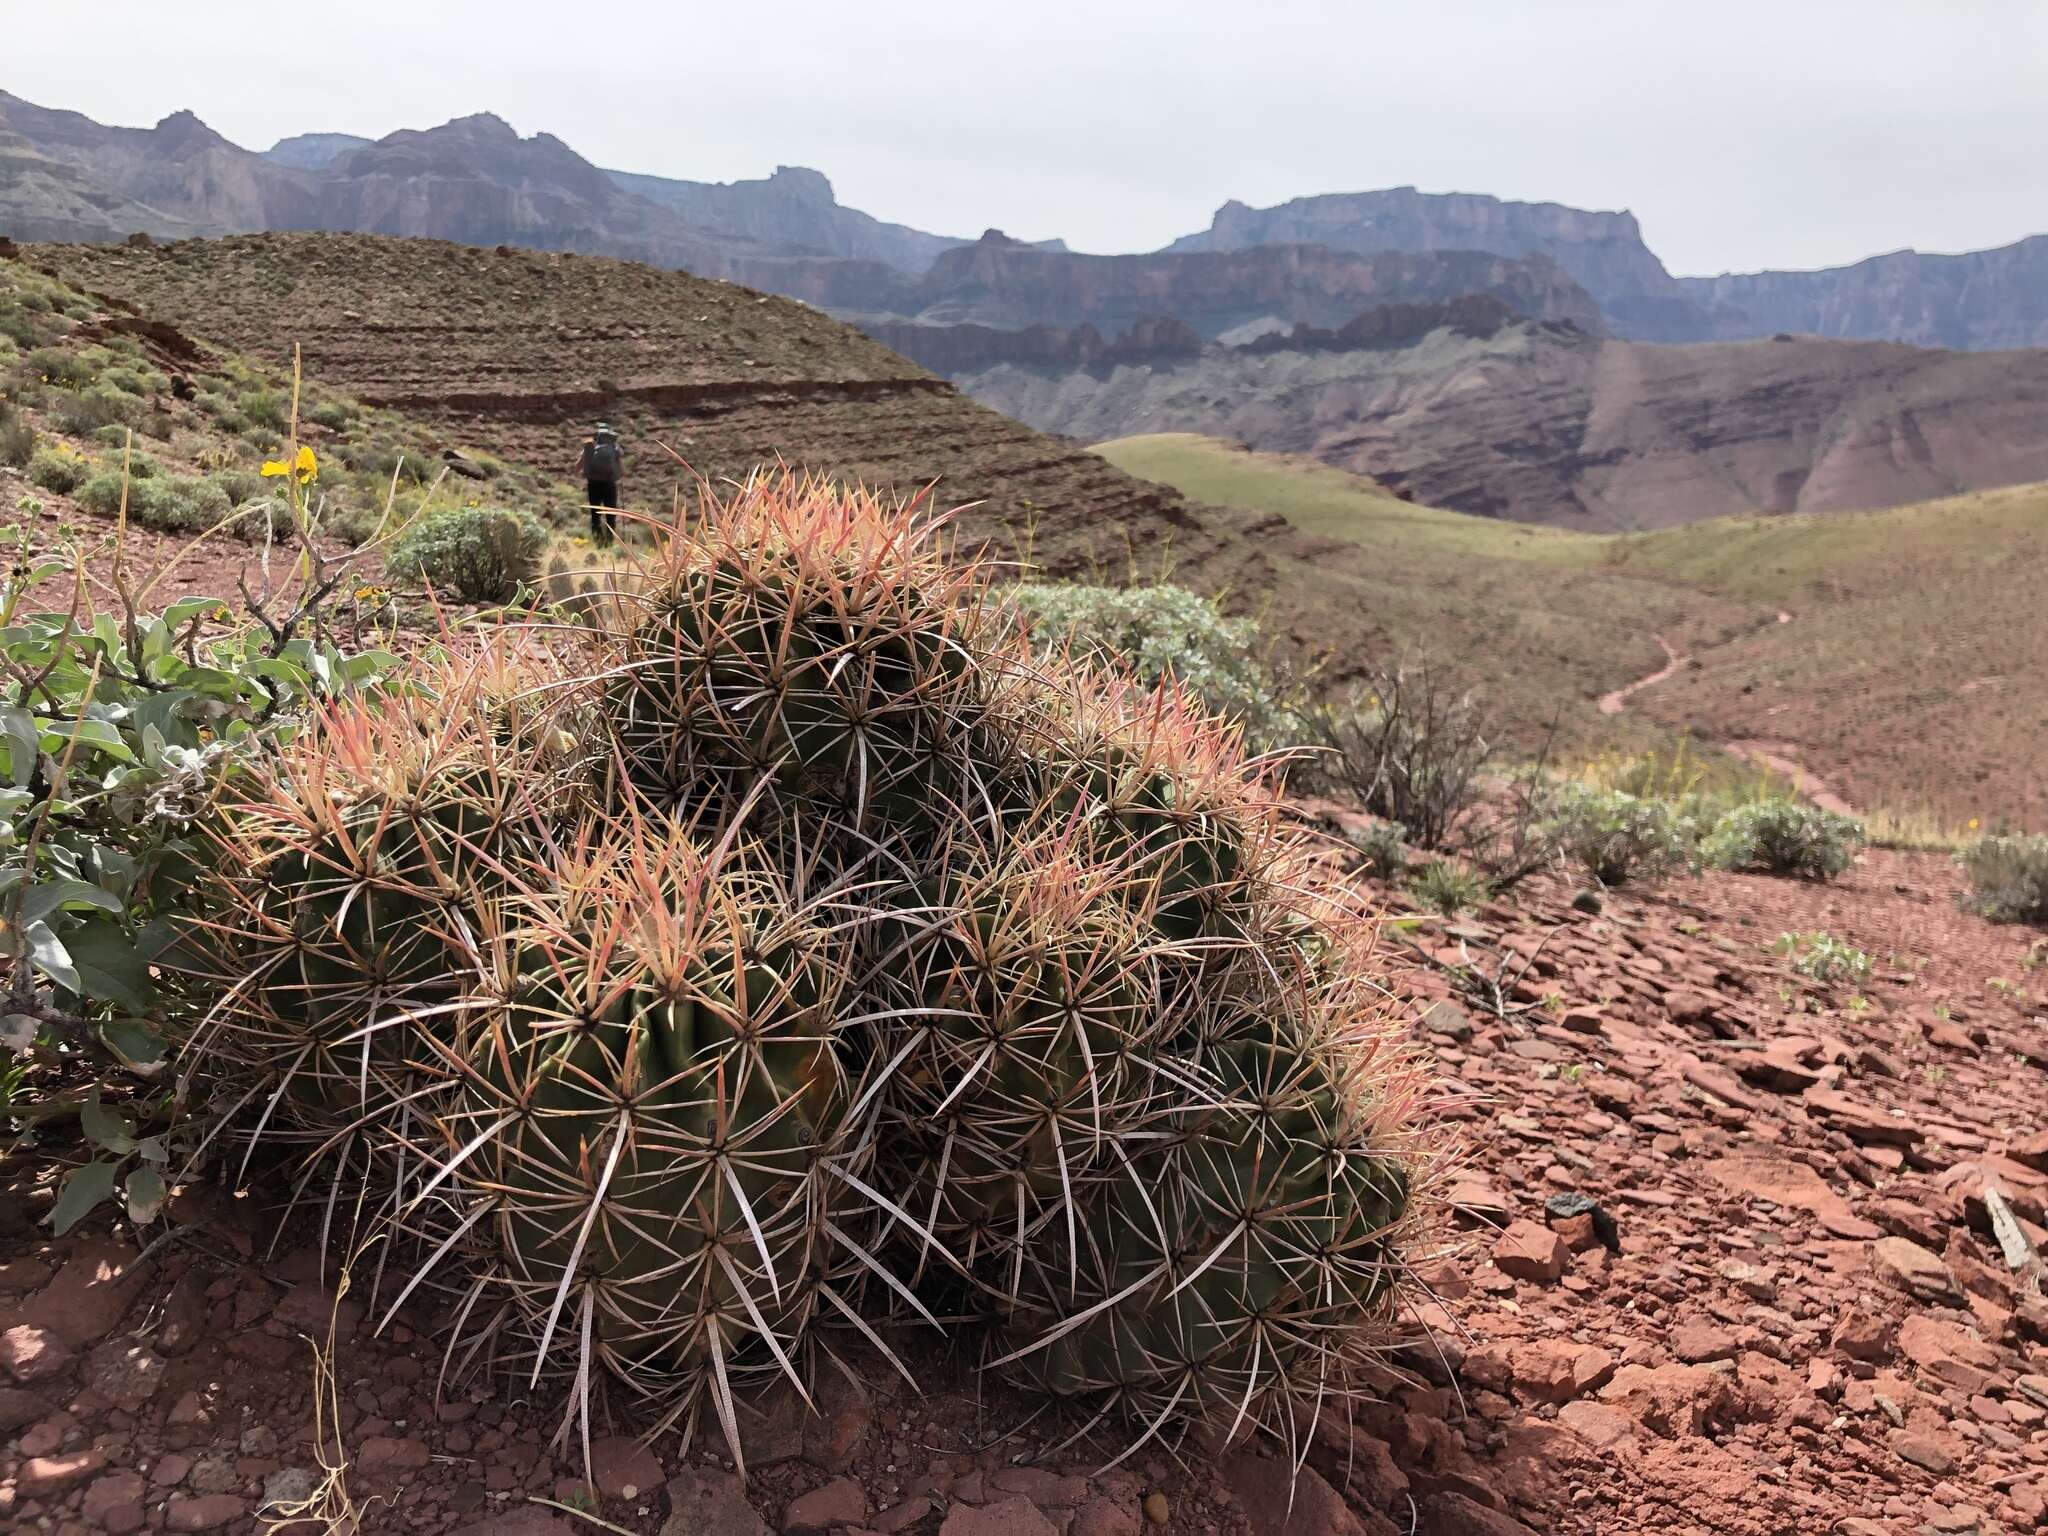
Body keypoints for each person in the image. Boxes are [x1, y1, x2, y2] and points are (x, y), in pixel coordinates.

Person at [577, 422, 624, 542]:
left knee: (595, 514)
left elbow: (577, 466)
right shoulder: (614, 448)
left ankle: (597, 540)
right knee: (611, 514)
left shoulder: (590, 447)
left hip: (593, 484)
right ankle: (609, 541)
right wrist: (618, 475)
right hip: (609, 484)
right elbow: (622, 469)